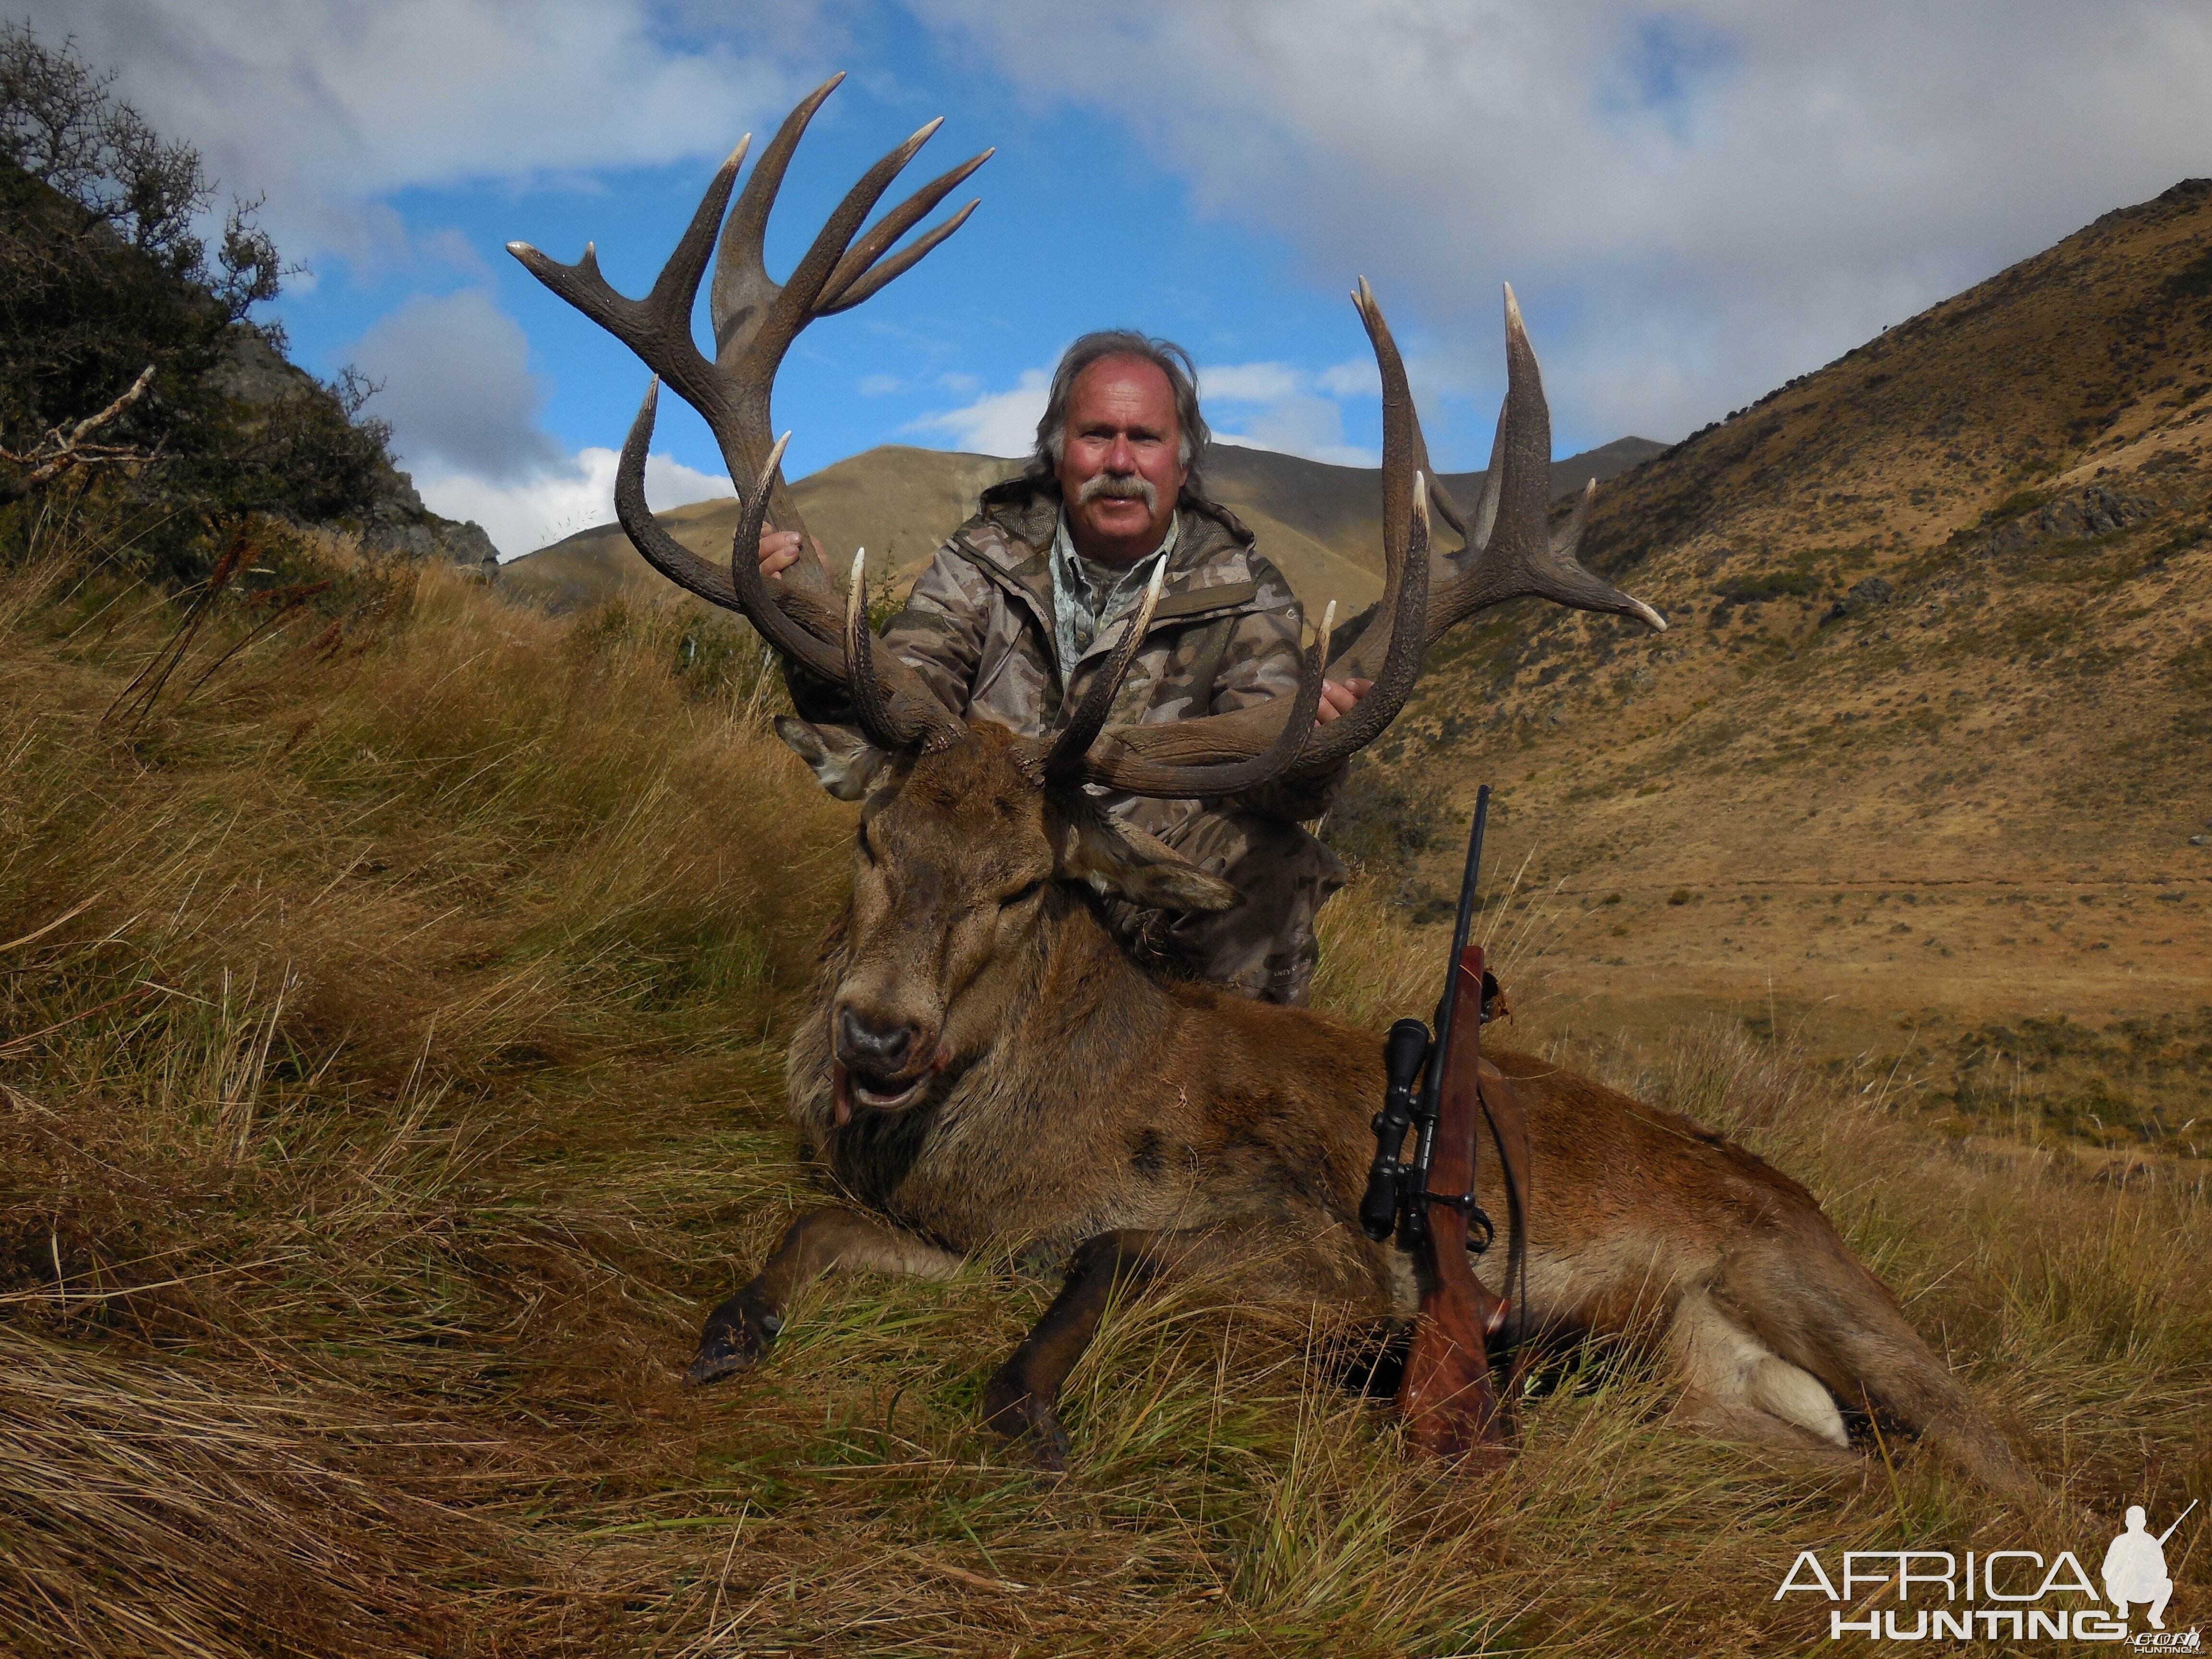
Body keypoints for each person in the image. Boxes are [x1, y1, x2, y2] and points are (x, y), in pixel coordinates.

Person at [762, 330, 1370, 1006]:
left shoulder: (1247, 593)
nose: (1119, 461)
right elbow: (900, 706)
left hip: (1138, 872)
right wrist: (806, 619)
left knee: (1273, 860)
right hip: (987, 861)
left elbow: (1271, 787)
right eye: (1095, 435)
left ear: (1183, 463)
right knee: (909, 832)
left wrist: (1314, 748)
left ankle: (1237, 1081)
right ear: (1057, 453)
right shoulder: (983, 558)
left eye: (1145, 437)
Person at [2102, 1505, 2174, 1629]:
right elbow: (2106, 1572)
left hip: (2145, 1589)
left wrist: (2147, 1567)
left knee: (2167, 1584)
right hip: (2122, 1589)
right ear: (2127, 1523)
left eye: (2139, 1521)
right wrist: (2122, 1567)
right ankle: (2122, 1607)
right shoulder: (2119, 1542)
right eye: (2133, 1521)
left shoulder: (2151, 1543)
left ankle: (2155, 1616)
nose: (2136, 1525)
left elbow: (2163, 1572)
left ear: (2144, 1523)